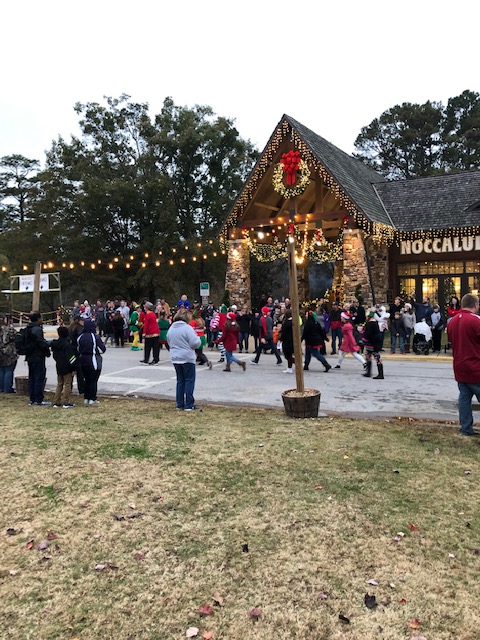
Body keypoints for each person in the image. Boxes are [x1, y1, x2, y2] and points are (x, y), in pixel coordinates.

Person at [447, 293, 480, 436]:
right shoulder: (476, 320)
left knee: (464, 398)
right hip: (476, 366)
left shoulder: (452, 322)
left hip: (460, 366)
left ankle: (466, 427)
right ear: (475, 305)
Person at [167, 308, 202, 411]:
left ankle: (179, 403)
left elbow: (169, 341)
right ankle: (189, 404)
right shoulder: (187, 328)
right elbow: (195, 343)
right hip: (187, 357)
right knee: (189, 381)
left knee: (180, 381)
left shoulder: (171, 328)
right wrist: (199, 339)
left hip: (175, 357)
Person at [25, 312, 52, 405]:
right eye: (41, 318)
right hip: (38, 357)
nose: (42, 320)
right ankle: (38, 399)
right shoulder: (37, 329)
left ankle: (32, 399)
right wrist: (51, 344)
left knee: (32, 378)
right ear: (38, 319)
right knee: (38, 378)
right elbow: (41, 343)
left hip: (30, 356)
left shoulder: (28, 328)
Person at [78, 319, 105, 405]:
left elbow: (78, 349)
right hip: (93, 360)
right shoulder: (95, 337)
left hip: (82, 360)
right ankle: (92, 398)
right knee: (93, 380)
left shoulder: (80, 337)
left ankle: (86, 398)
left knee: (87, 380)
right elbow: (102, 349)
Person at [50, 325, 77, 407]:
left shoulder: (55, 344)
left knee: (59, 384)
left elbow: (54, 356)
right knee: (67, 384)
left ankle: (56, 401)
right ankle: (66, 401)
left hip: (59, 365)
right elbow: (71, 358)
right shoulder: (67, 345)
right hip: (67, 367)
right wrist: (74, 368)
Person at [363, 309, 384, 379]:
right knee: (368, 356)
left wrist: (363, 336)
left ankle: (380, 374)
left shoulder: (370, 324)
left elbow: (368, 334)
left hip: (372, 344)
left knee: (377, 357)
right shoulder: (374, 322)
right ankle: (368, 372)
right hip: (374, 343)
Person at [0, 314, 18, 393]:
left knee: (1, 370)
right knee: (9, 370)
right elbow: (17, 337)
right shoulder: (9, 330)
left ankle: (1, 388)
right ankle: (7, 389)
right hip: (9, 352)